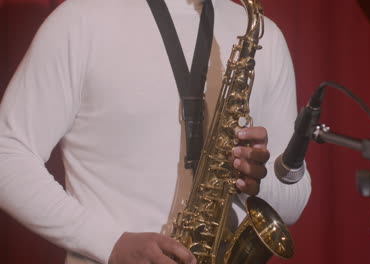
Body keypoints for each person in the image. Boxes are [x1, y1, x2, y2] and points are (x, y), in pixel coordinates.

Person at [0, 0, 311, 263]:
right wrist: (110, 243)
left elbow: (292, 205)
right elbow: (7, 153)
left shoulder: (261, 34)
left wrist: (257, 180)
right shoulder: (81, 17)